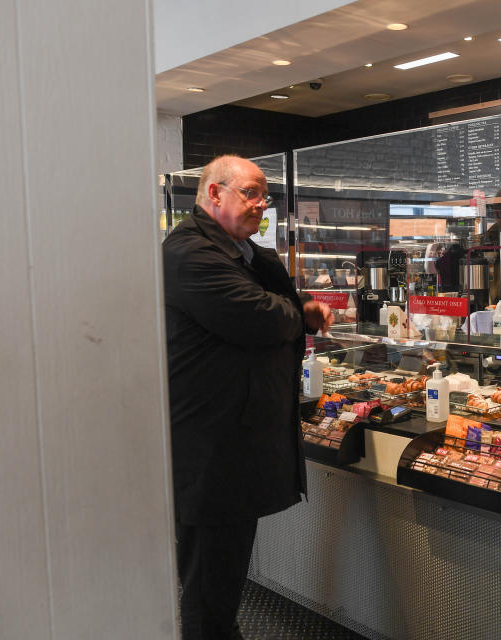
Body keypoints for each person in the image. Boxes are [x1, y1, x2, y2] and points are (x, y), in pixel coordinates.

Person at [163, 154, 333, 640]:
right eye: (251, 194)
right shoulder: (189, 252)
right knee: (207, 589)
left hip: (234, 443)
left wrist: (294, 307)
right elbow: (261, 316)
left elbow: (283, 306)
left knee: (223, 577)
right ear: (214, 193)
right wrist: (297, 312)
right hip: (211, 448)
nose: (261, 205)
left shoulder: (241, 252)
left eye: (265, 196)